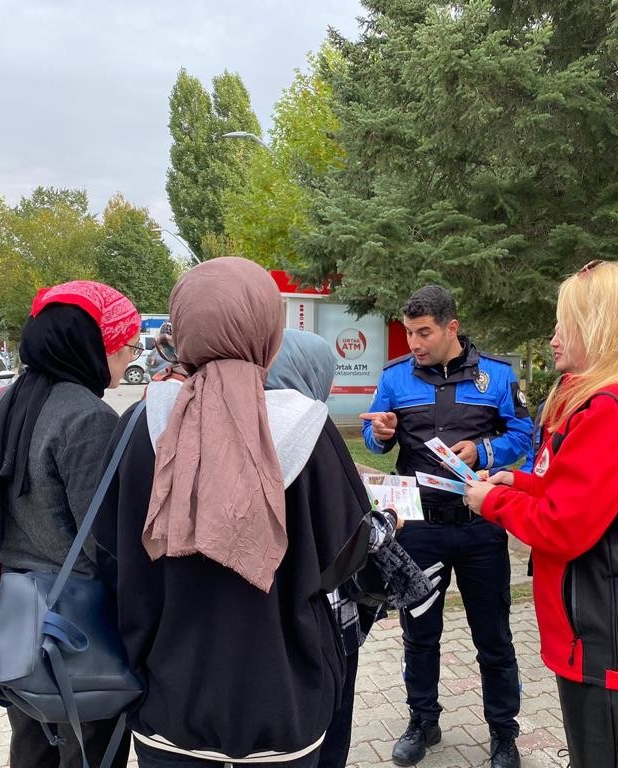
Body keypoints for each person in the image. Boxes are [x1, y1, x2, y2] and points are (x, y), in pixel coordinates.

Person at [92, 258, 372, 768]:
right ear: (268, 329)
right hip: (284, 701)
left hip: (168, 702)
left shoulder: (139, 424)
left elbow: (111, 549)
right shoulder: (308, 428)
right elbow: (348, 555)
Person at [463, 261, 618, 768]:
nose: (553, 336)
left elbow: (562, 527)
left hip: (614, 652)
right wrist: (517, 482)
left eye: (565, 321)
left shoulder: (611, 407)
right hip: (611, 642)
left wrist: (492, 502)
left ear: (601, 324)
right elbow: (583, 493)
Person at [0, 280, 141, 768]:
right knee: (90, 750)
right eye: (124, 345)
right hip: (77, 627)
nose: (130, 357)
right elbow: (103, 542)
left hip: (18, 614)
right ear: (90, 346)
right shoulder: (88, 418)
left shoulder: (3, 401)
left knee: (32, 745)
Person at [359, 285, 532, 768]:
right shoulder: (395, 377)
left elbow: (523, 432)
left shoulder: (495, 376)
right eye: (410, 331)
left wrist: (483, 451)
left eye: (424, 332)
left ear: (451, 328)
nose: (413, 341)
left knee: (493, 636)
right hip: (420, 529)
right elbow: (374, 437)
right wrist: (381, 433)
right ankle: (422, 721)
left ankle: (503, 733)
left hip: (480, 526)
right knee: (419, 632)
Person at [266, 328, 438, 768]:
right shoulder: (310, 425)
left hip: (262, 612)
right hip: (321, 610)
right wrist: (392, 519)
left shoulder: (247, 417)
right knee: (330, 721)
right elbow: (354, 532)